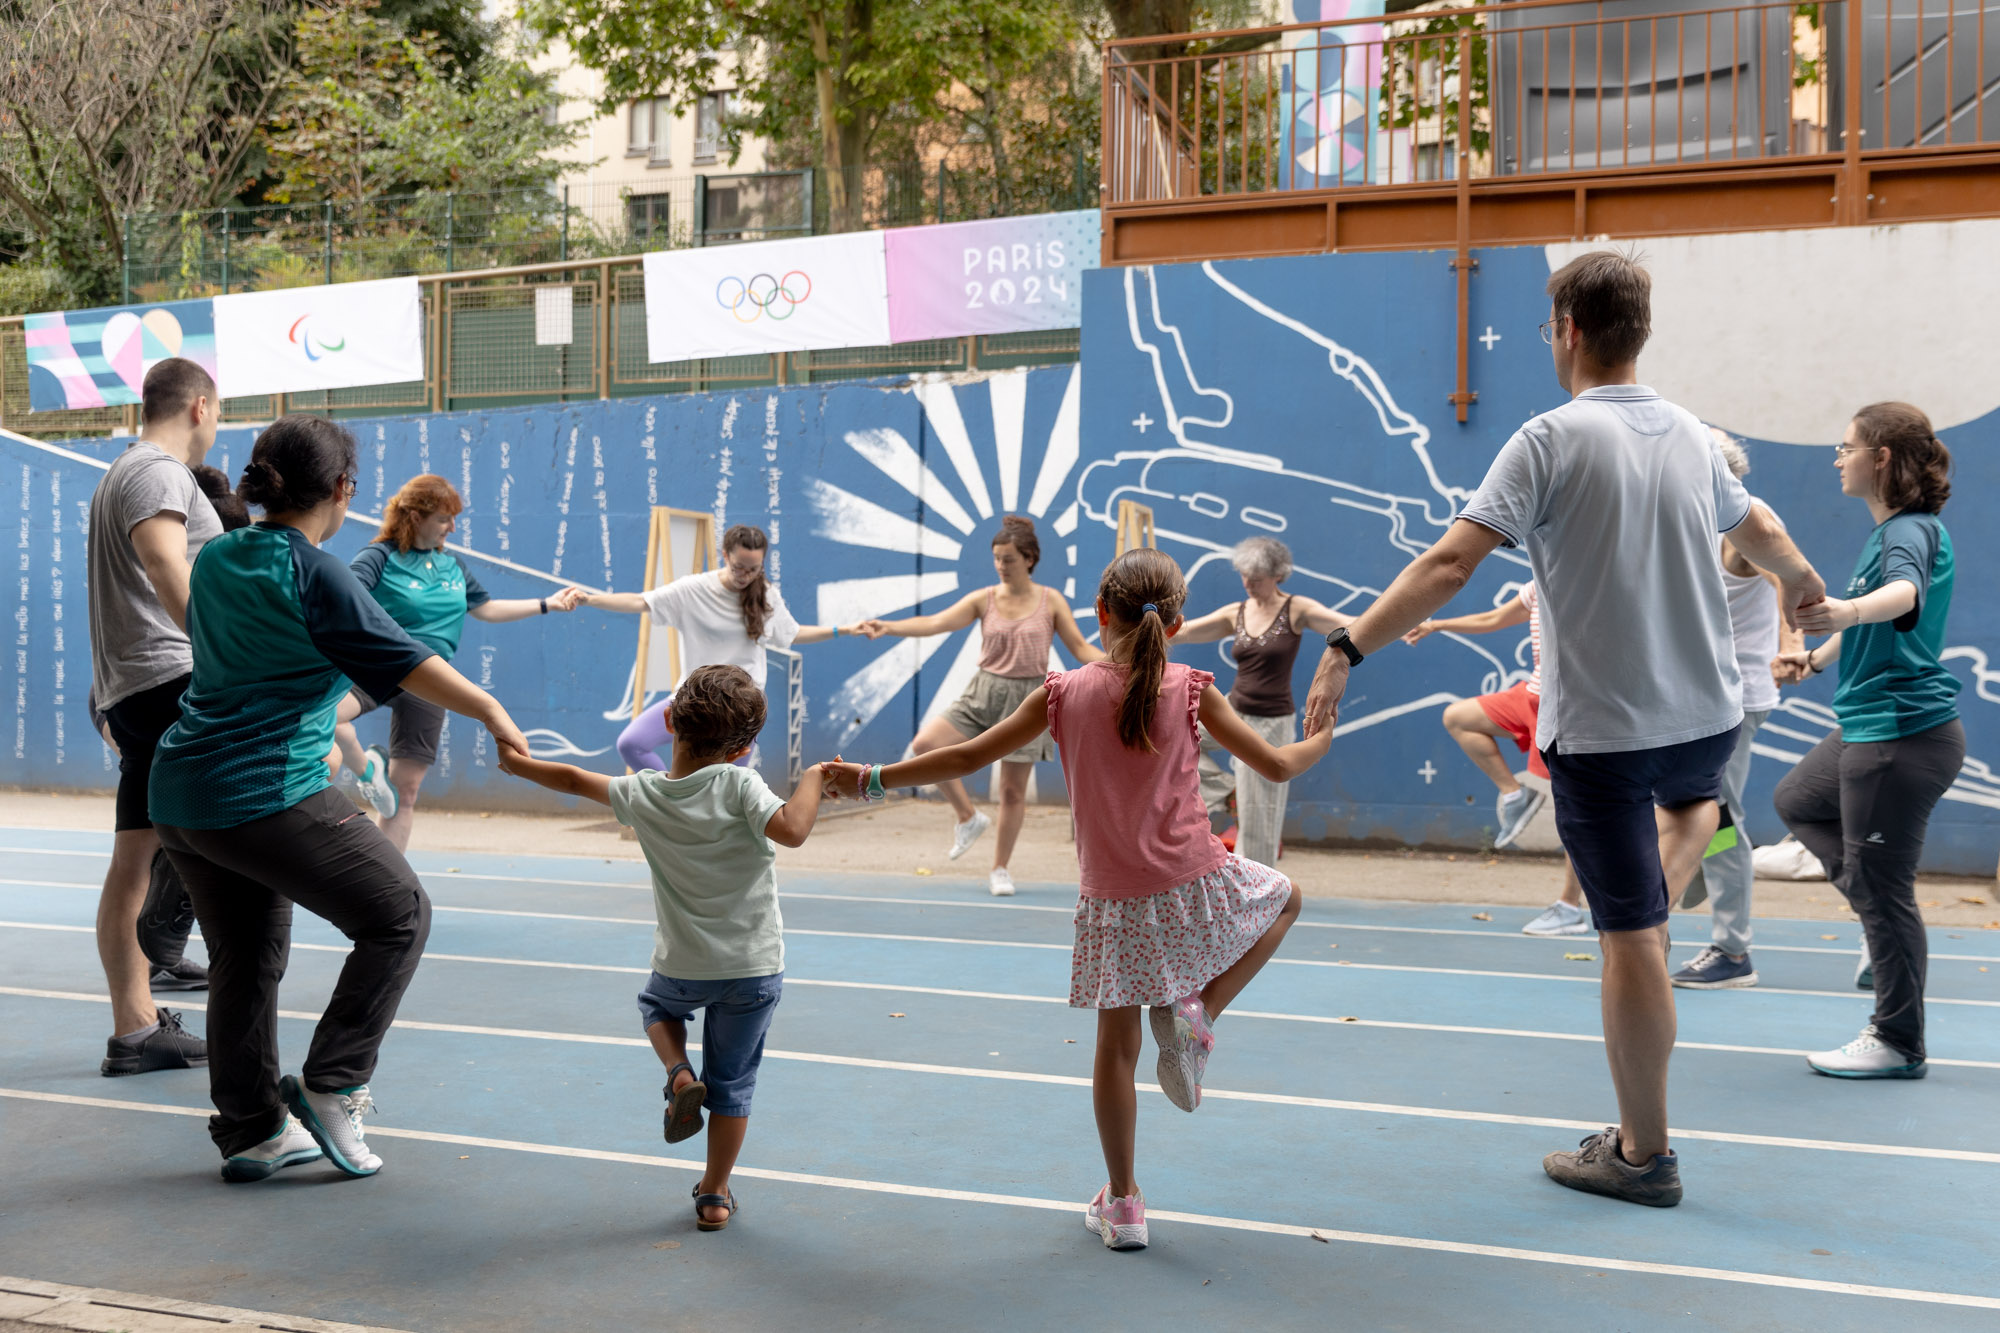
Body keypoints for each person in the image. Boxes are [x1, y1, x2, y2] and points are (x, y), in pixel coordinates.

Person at [1301, 250, 1822, 1208]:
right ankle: (1686, 885)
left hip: (1608, 731)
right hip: (1704, 720)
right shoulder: (1695, 438)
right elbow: (1763, 526)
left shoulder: (1547, 438)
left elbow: (1451, 562)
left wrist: (1346, 644)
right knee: (1681, 841)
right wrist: (1800, 582)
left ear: (1567, 331)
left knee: (1631, 936)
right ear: (1639, 332)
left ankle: (1643, 1152)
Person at [827, 548, 1324, 1251]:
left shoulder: (1060, 693)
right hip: (1191, 876)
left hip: (1112, 899)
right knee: (1286, 899)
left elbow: (968, 756)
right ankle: (1198, 1010)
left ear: (1099, 614)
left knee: (1115, 1049)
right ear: (1178, 621)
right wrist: (1322, 736)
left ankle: (1123, 1204)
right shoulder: (1190, 687)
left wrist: (873, 777)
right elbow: (1274, 764)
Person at [149, 415, 531, 1184]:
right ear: (343, 490)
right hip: (261, 791)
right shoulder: (313, 570)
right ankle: (334, 1083)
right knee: (400, 912)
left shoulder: (219, 555)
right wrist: (491, 710)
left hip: (182, 791)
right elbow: (406, 660)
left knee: (245, 956)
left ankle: (255, 1128)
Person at [496, 664, 827, 1231]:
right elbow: (793, 829)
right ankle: (715, 1194)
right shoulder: (739, 783)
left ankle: (677, 1073)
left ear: (669, 721)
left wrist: (517, 763)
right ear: (745, 748)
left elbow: (575, 780)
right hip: (752, 968)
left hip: (682, 965)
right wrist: (817, 775)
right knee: (733, 1085)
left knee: (657, 1007)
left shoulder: (641, 793)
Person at [1772, 403, 1961, 1080]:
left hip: (1899, 737)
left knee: (1888, 896)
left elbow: (1903, 596)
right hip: (1872, 725)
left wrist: (1845, 608)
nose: (1837, 456)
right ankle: (1862, 883)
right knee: (1797, 797)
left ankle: (1897, 1039)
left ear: (1880, 458)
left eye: (1846, 446)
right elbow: (1873, 621)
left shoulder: (1905, 534)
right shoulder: (1892, 532)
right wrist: (1814, 660)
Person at [84, 357, 220, 1076]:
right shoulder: (161, 473)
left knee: (134, 864)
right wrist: (229, 652)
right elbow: (168, 564)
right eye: (218, 413)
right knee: (232, 848)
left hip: (136, 690)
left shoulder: (122, 473)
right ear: (200, 406)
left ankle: (135, 1029)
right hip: (172, 683)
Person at [855, 515, 1105, 897]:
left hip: (1028, 699)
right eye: (997, 559)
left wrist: (1119, 663)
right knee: (925, 745)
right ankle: (968, 817)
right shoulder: (984, 599)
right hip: (983, 691)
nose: (1001, 566)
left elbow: (1080, 649)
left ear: (1029, 559)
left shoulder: (1050, 600)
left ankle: (1000, 869)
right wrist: (889, 626)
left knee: (1011, 792)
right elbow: (936, 622)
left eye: (1008, 559)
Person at [330, 474, 582, 850]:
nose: (452, 527)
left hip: (432, 677)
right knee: (329, 715)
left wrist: (548, 603)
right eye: (444, 519)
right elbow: (345, 595)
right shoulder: (380, 556)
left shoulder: (453, 567)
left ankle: (389, 879)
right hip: (380, 665)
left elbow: (486, 608)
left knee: (407, 791)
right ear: (415, 517)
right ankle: (367, 770)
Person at [1668, 432, 1804, 990]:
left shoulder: (1742, 522)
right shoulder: (1690, 524)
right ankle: (1697, 864)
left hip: (1735, 698)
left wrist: (1792, 643)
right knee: (1688, 808)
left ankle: (1732, 950)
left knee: (1720, 816)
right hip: (1691, 695)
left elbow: (1787, 573)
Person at [567, 524, 846, 774]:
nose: (745, 575)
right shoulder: (695, 589)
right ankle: (667, 799)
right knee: (632, 743)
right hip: (695, 698)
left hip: (740, 705)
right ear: (725, 555)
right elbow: (641, 602)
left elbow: (793, 633)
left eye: (754, 569)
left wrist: (843, 629)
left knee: (726, 786)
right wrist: (590, 600)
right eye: (739, 566)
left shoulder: (765, 595)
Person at [132, 462, 255, 994]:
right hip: (186, 685)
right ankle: (179, 890)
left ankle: (174, 910)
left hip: (135, 689)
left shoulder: (162, 527)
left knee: (147, 843)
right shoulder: (209, 548)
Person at [1176, 536, 1352, 867]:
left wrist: (1403, 624)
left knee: (1259, 823)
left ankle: (1257, 892)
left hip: (1270, 723)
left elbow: (1348, 624)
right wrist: (1148, 624)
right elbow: (1183, 630)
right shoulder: (1236, 612)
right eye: (1244, 576)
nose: (1248, 584)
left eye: (1256, 578)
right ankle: (1227, 789)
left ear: (1277, 575)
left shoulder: (1295, 609)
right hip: (1230, 710)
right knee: (1172, 735)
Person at [1403, 581, 1550, 854]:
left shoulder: (1594, 581)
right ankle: (1515, 795)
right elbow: (1493, 617)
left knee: (1575, 808)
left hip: (1568, 708)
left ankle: (1569, 897)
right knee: (1459, 717)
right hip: (1533, 696)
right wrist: (1435, 625)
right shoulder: (1537, 585)